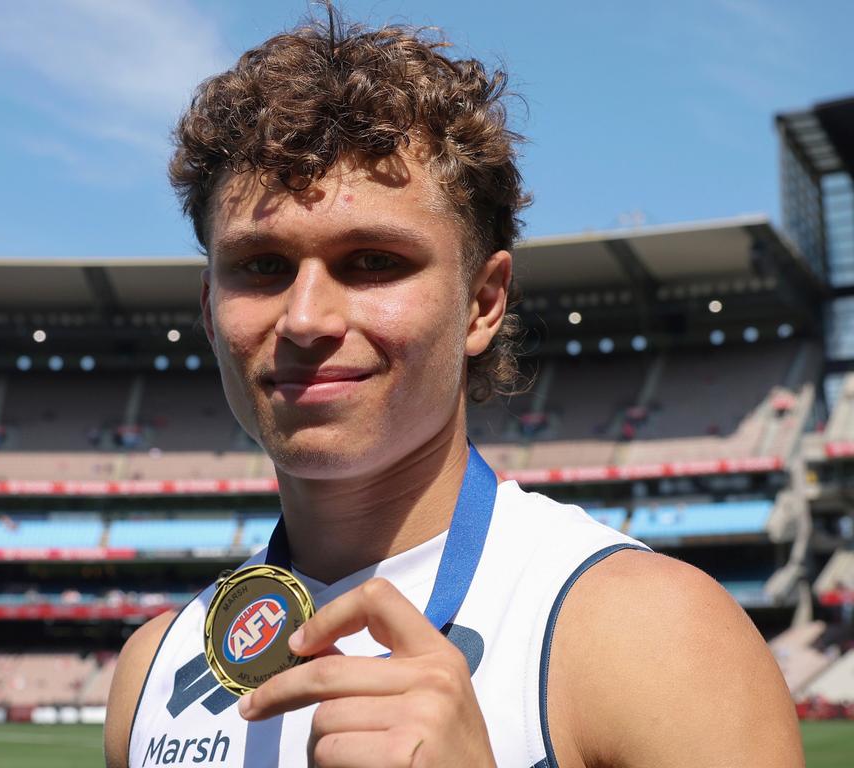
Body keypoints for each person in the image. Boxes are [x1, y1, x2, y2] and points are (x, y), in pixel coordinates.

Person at [106, 7, 803, 767]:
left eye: (373, 261)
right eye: (261, 266)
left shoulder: (650, 634)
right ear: (210, 311)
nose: (305, 318)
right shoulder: (155, 669)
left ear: (483, 303)